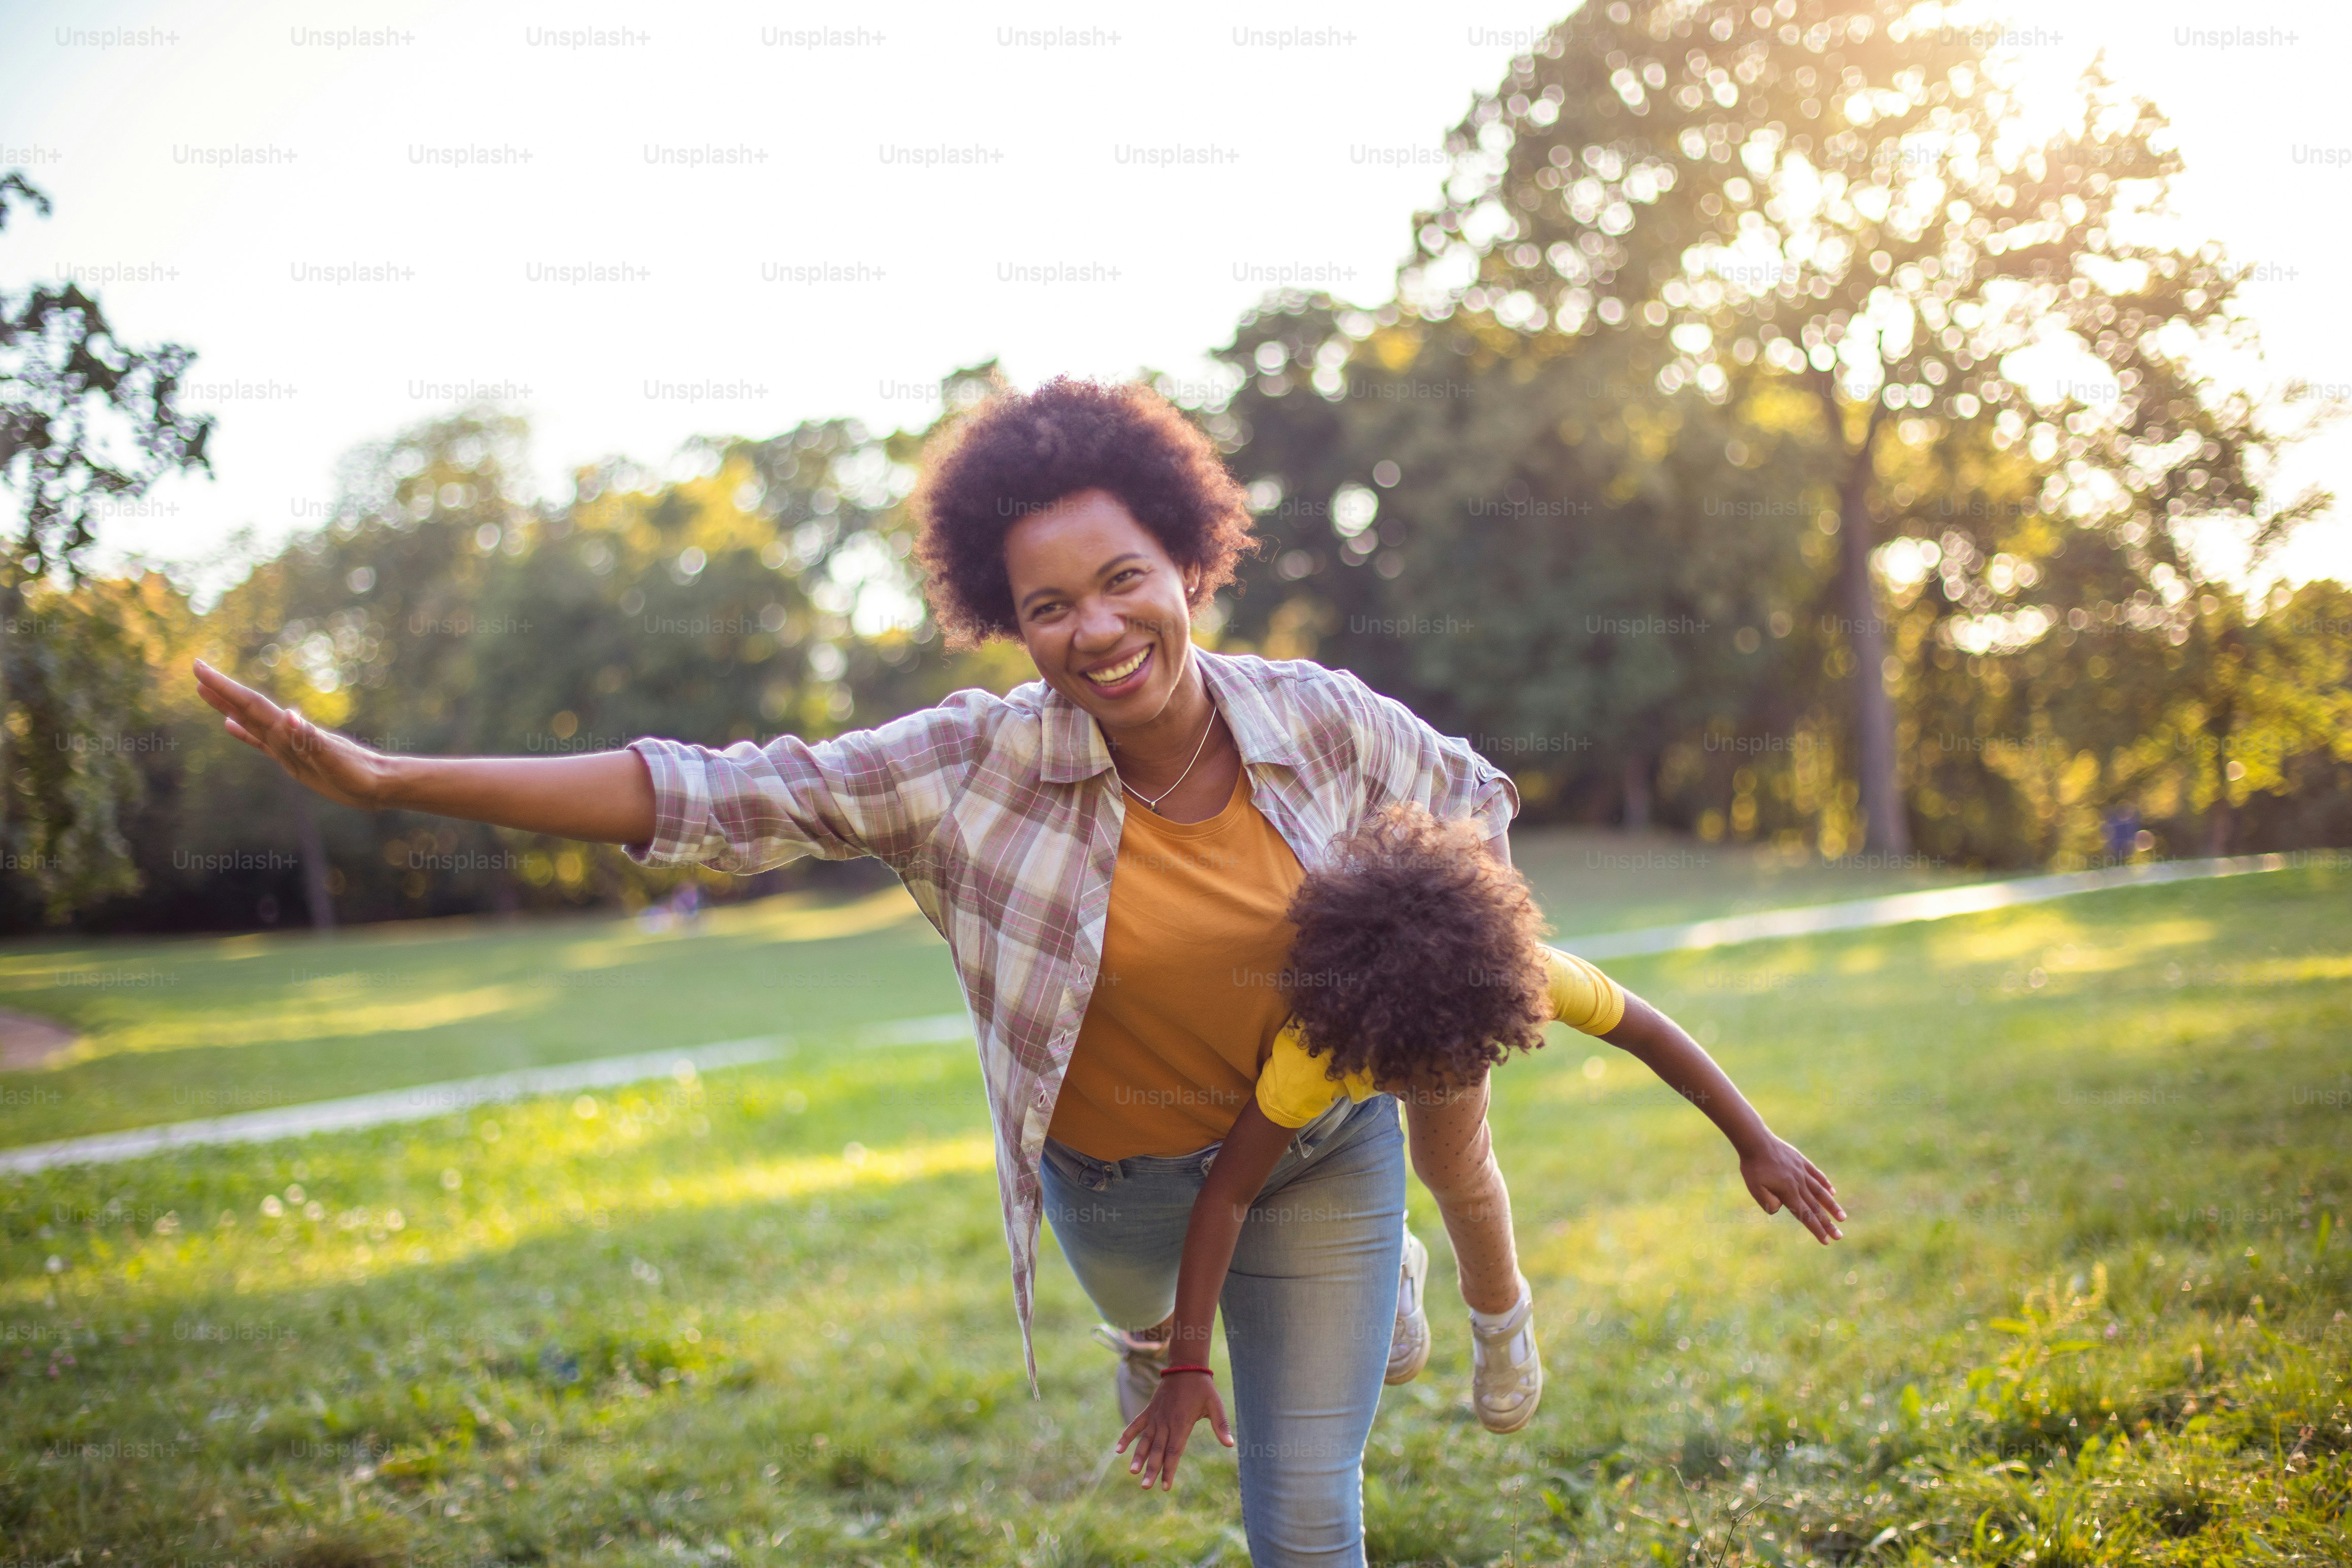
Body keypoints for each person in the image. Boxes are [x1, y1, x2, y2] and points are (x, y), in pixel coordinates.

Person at [191, 376, 1843, 1566]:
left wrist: (1436, 987)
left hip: (1324, 1150)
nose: (1095, 627)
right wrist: (395, 780)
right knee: (1178, 1348)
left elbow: (1471, 806)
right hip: (1121, 1201)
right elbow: (711, 790)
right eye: (1046, 604)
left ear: (1188, 563)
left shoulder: (1321, 717)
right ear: (1008, 616)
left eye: (1124, 578)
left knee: (1303, 1511)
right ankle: (1299, 1319)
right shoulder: (969, 766)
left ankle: (1369, 1291)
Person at [1115, 804, 1844, 1489]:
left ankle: (1501, 1317)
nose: (1439, 1081)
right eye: (1419, 1074)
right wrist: (1186, 1361)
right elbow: (1231, 1192)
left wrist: (1755, 1140)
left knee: (1449, 1164)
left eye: (1467, 1058)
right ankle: (1390, 1254)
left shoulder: (1509, 975)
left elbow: (1648, 1030)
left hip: (1430, 1026)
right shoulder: (1313, 1054)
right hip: (1354, 1062)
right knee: (1326, 1152)